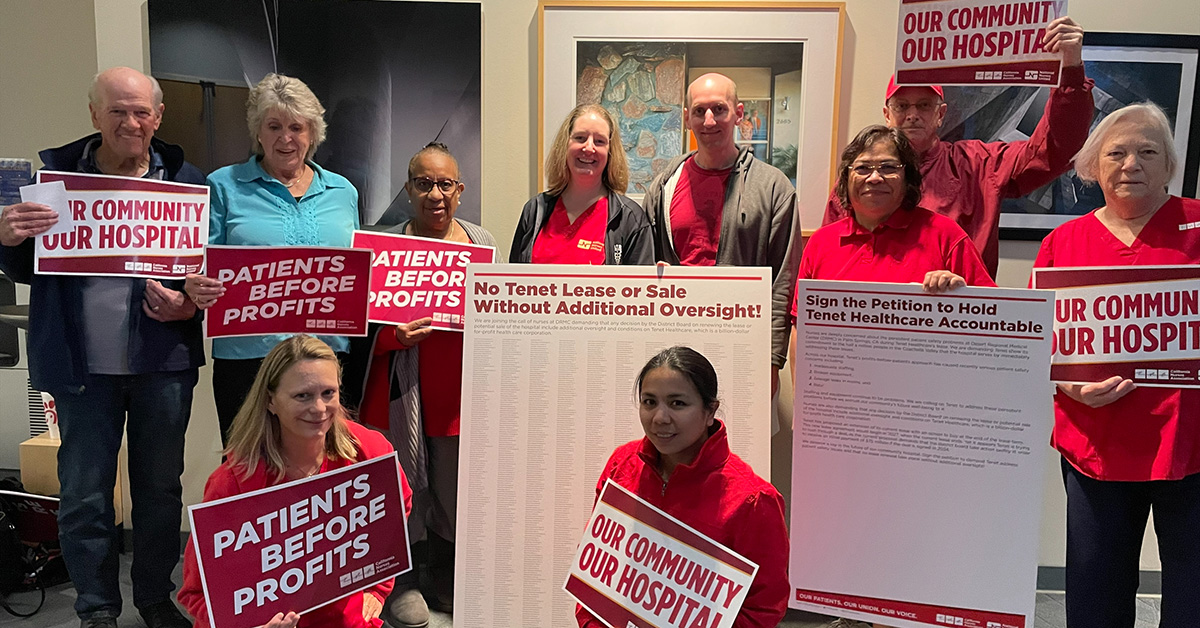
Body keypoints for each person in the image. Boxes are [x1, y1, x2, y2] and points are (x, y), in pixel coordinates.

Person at [0, 67, 203, 628]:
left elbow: (208, 274)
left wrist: (190, 304)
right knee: (85, 492)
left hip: (164, 363)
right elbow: (24, 268)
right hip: (79, 366)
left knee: (160, 491)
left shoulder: (187, 181)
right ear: (94, 115)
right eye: (117, 110)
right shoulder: (54, 179)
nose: (130, 122)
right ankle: (96, 609)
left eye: (141, 111)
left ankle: (155, 599)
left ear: (158, 117)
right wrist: (6, 236)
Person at [1031, 102, 1200, 628]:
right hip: (1096, 445)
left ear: (1169, 163)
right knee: (1095, 592)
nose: (1131, 164)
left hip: (1191, 444)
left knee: (1193, 591)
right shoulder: (1062, 243)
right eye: (1117, 152)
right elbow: (1042, 345)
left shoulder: (1198, 226)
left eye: (1148, 151)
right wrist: (1067, 386)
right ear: (1092, 166)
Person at [347, 143, 494, 627]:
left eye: (445, 184)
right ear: (408, 188)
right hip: (396, 395)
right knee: (399, 489)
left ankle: (446, 578)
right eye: (424, 183)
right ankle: (401, 583)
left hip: (457, 397)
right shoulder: (382, 247)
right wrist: (391, 335)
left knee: (454, 494)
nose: (435, 194)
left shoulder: (480, 244)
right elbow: (356, 329)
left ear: (460, 189)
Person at [823, 16, 1094, 278]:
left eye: (924, 105)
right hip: (878, 314)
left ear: (941, 114)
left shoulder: (979, 164)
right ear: (887, 114)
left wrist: (1070, 70)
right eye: (902, 106)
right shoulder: (861, 176)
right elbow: (830, 255)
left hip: (961, 315)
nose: (912, 114)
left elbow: (1056, 150)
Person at [179, 335, 413, 628]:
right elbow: (197, 592)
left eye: (328, 393)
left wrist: (377, 588)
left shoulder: (369, 451)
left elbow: (397, 508)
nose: (318, 408)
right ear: (270, 401)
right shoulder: (233, 482)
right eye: (302, 396)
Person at [184, 73, 360, 444]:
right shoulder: (223, 186)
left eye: (297, 127)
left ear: (313, 133)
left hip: (328, 361)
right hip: (249, 363)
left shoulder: (343, 191)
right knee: (248, 470)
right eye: (274, 126)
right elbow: (200, 263)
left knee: (327, 469)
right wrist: (195, 284)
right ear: (258, 132)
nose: (286, 138)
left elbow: (359, 270)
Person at [577, 346, 789, 628]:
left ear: (709, 410)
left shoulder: (753, 499)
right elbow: (595, 572)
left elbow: (762, 610)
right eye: (649, 402)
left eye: (677, 403)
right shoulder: (621, 465)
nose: (660, 418)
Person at [642, 73, 800, 398]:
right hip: (674, 347)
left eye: (720, 109)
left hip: (742, 345)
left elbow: (783, 283)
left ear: (739, 113)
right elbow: (646, 268)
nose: (709, 120)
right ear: (687, 118)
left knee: (739, 444)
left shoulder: (773, 187)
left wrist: (771, 361)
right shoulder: (663, 185)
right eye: (699, 111)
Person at [796, 125, 995, 294]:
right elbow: (800, 327)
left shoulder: (946, 236)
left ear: (907, 178)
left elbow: (994, 315)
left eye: (888, 168)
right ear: (846, 179)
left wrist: (963, 296)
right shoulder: (820, 243)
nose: (874, 178)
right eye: (863, 168)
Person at [511, 104, 653, 265]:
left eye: (599, 141)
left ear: (610, 152)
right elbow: (514, 283)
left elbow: (638, 287)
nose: (589, 147)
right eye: (580, 138)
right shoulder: (535, 211)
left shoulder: (630, 218)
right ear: (565, 144)